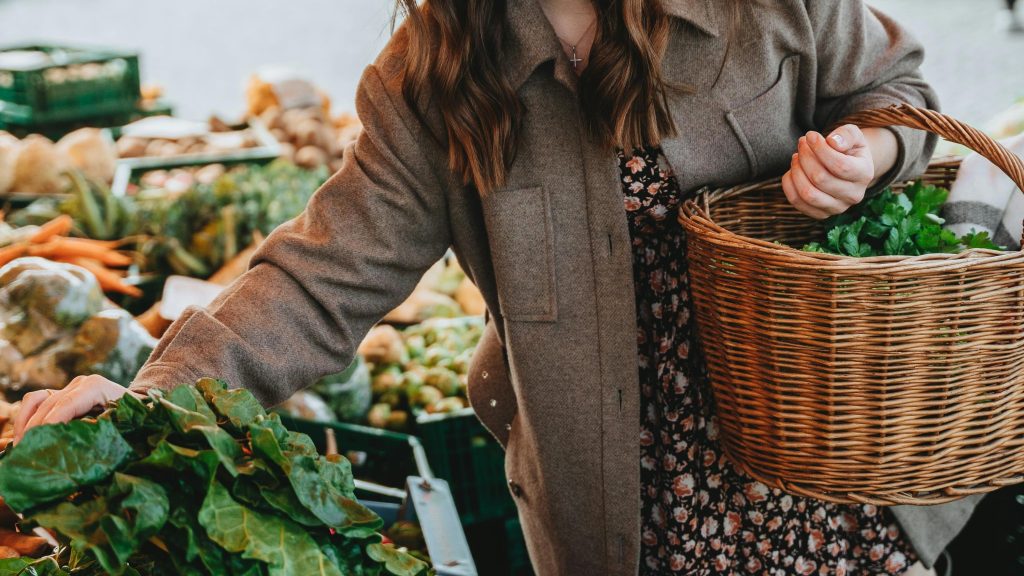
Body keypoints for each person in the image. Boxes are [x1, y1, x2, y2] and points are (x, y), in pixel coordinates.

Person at [14, 0, 974, 574]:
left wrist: (874, 151)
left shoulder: (762, 10)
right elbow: (317, 280)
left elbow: (901, 96)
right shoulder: (433, 78)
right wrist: (146, 406)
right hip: (625, 514)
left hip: (820, 478)